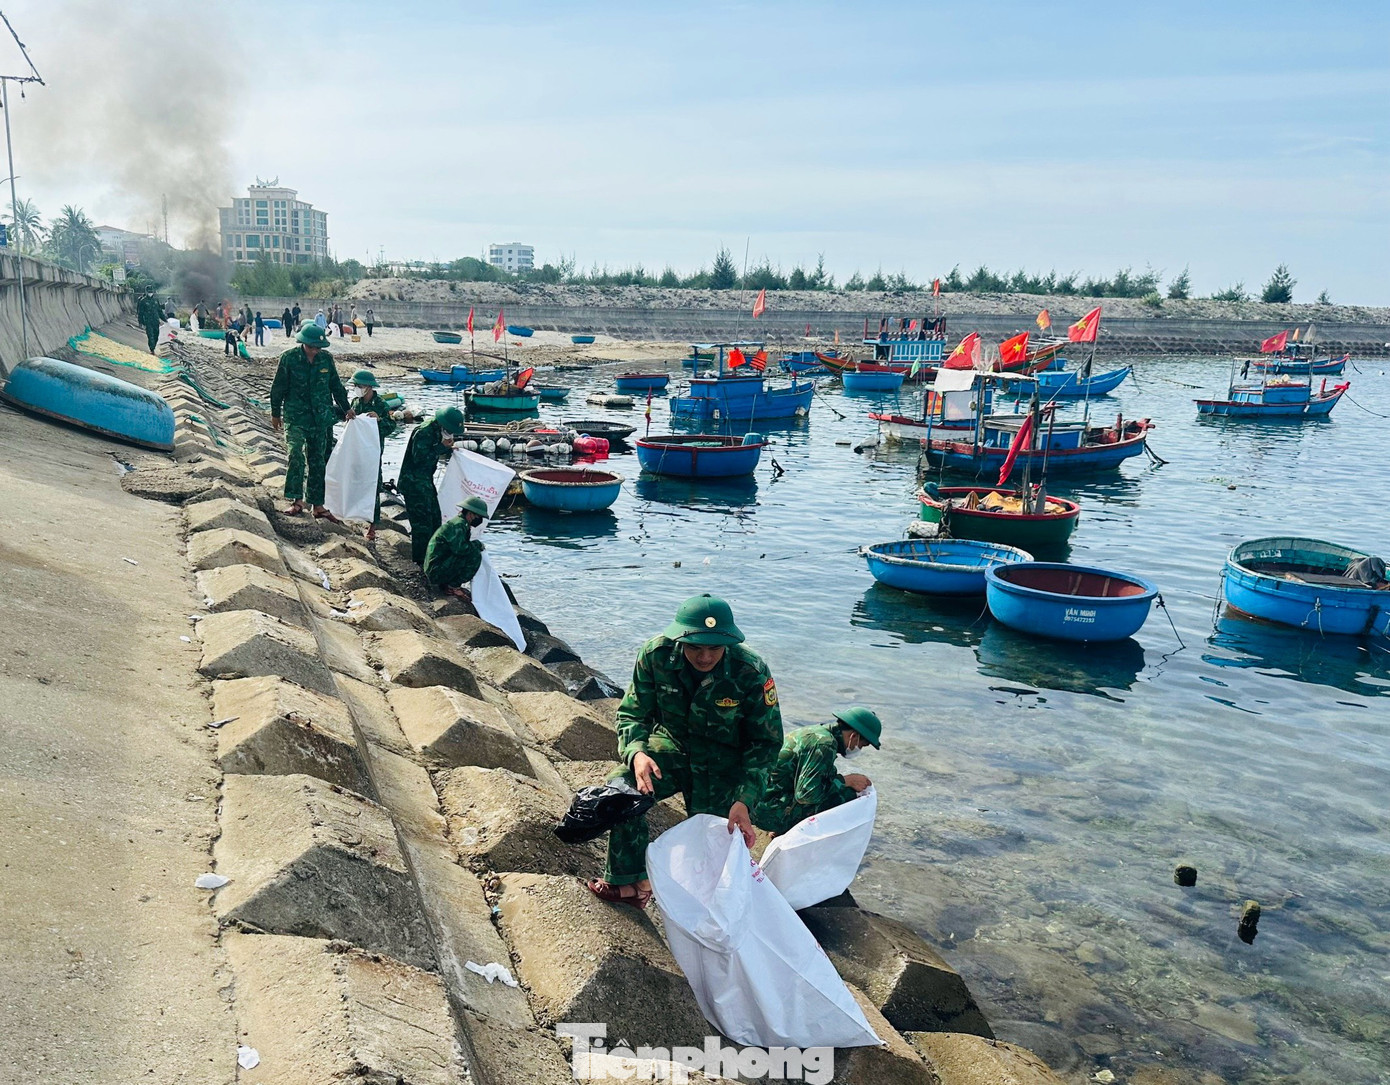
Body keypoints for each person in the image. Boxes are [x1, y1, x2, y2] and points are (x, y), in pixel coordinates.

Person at [586, 594, 784, 909]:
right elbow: (632, 714)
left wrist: (744, 800)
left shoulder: (751, 672)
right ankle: (628, 882)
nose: (704, 657)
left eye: (714, 648)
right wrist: (637, 753)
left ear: (728, 643)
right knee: (622, 787)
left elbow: (765, 744)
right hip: (672, 749)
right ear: (679, 638)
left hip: (724, 765)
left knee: (716, 847)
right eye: (695, 647)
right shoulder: (656, 656)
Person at [749, 707, 880, 836]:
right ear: (854, 736)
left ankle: (784, 828)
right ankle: (793, 833)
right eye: (862, 745)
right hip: (767, 814)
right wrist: (845, 781)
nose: (859, 749)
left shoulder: (817, 733)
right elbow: (806, 795)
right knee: (847, 797)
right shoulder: (824, 745)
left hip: (759, 803)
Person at [270, 322, 354, 518]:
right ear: (303, 343)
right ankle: (296, 500)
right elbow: (278, 387)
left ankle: (317, 505)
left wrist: (346, 408)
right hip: (296, 416)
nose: (315, 350)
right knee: (296, 454)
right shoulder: (289, 358)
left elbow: (335, 385)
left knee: (318, 461)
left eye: (318, 347)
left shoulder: (326, 359)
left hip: (320, 418)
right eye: (312, 346)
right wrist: (275, 413)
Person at [397, 406, 464, 564]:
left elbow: (431, 454)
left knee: (435, 521)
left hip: (425, 482)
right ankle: (420, 563)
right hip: (413, 483)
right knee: (422, 526)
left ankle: (431, 560)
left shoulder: (437, 431)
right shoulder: (425, 432)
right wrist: (442, 447)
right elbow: (419, 458)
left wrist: (448, 450)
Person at [347, 368, 396, 541]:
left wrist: (379, 420)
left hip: (373, 452)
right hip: (357, 450)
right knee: (355, 482)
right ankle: (353, 514)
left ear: (368, 386)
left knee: (373, 486)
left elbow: (391, 427)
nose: (356, 388)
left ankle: (373, 525)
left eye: (358, 385)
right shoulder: (356, 402)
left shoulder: (381, 405)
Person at [423, 496, 488, 595]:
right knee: (475, 555)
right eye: (478, 517)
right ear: (470, 514)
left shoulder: (461, 523)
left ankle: (448, 583)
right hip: (435, 572)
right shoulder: (458, 526)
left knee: (472, 551)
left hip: (437, 567)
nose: (479, 520)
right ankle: (453, 586)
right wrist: (477, 544)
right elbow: (460, 550)